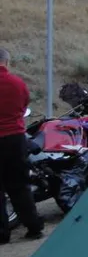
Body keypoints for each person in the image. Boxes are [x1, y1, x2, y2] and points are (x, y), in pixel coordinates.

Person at [0, 48, 44, 243]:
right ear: (7, 62)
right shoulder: (18, 83)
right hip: (16, 140)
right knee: (20, 186)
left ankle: (2, 233)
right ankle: (34, 227)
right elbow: (24, 106)